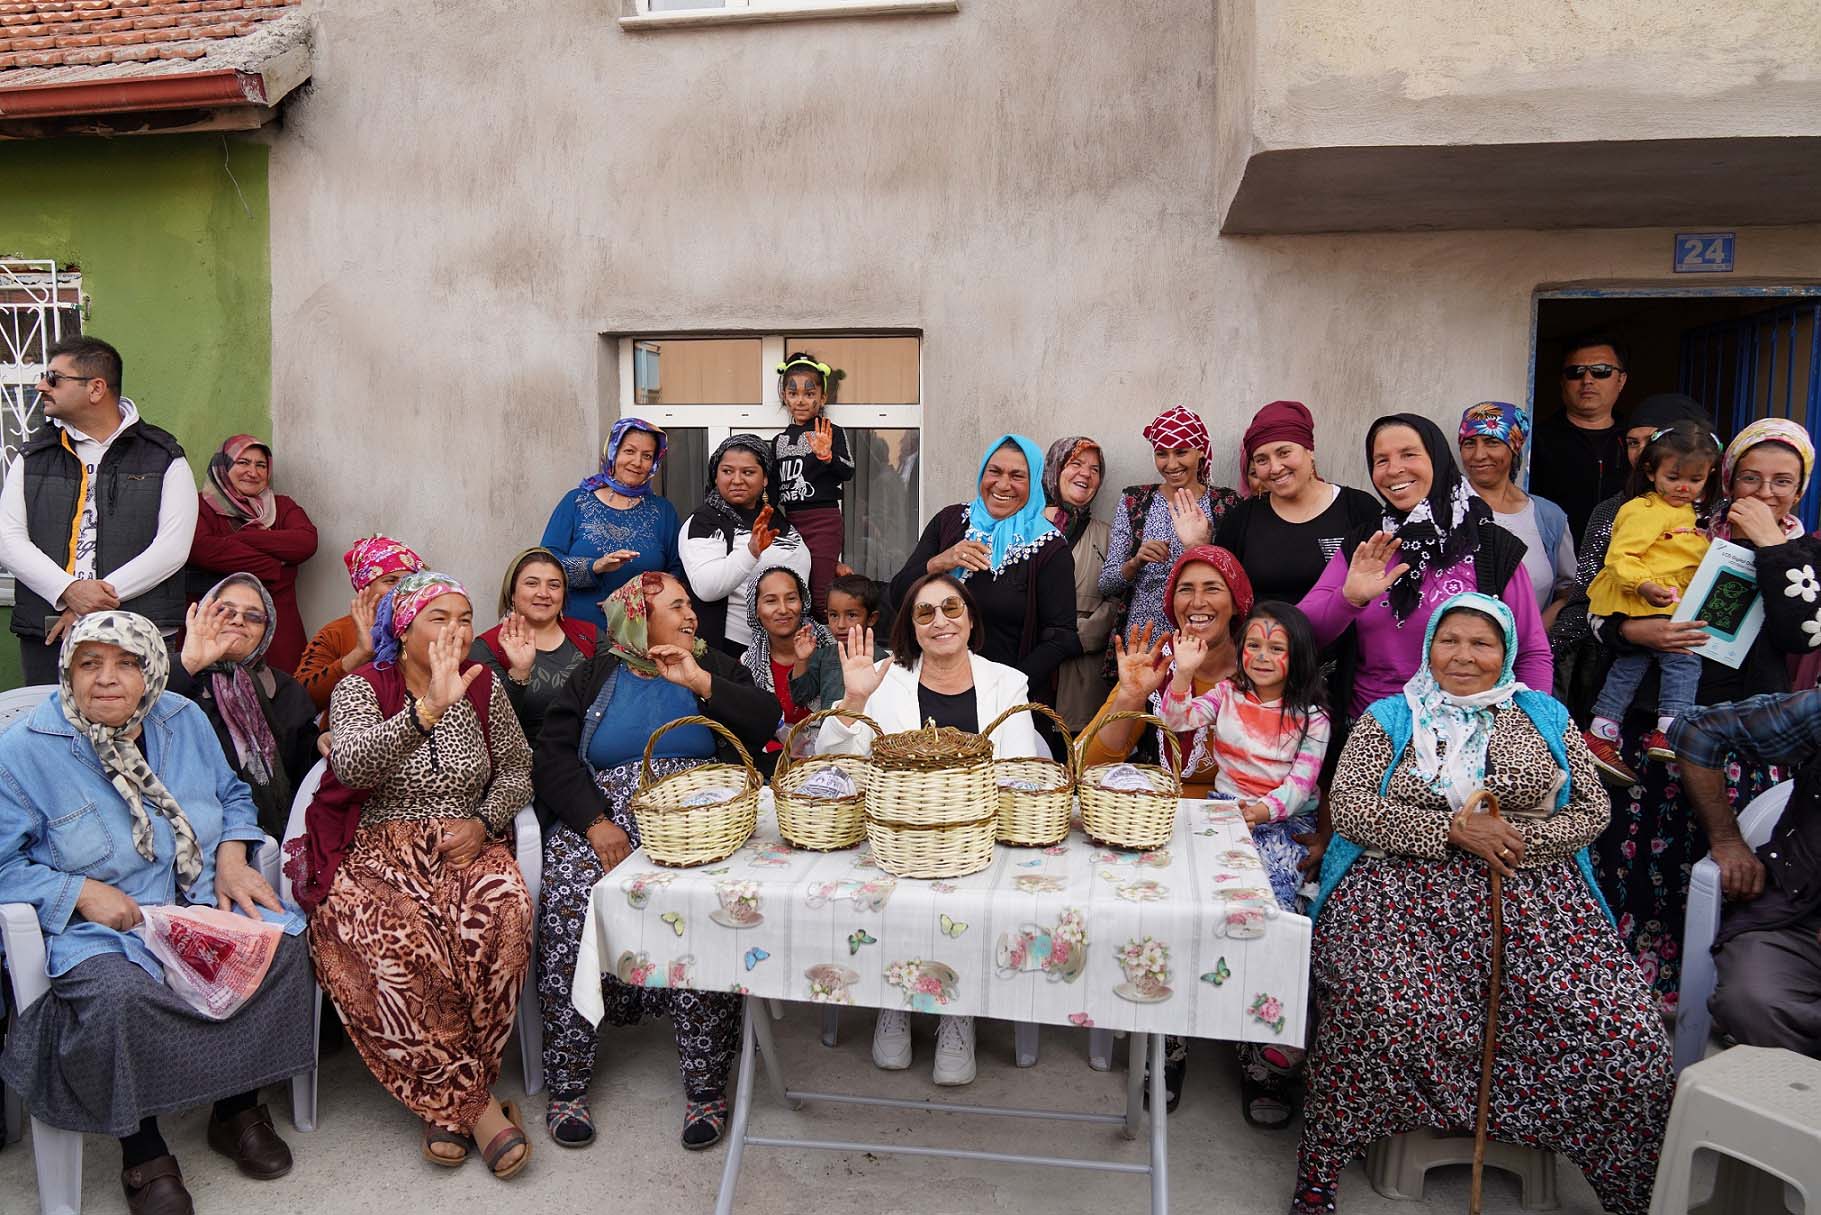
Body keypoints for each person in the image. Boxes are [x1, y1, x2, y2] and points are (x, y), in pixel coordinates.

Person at [1294, 592, 1671, 1215]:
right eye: (1450, 640)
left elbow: (1594, 810)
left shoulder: (1544, 714)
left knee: (1622, 1033)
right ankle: (1320, 1174)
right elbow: (1354, 810)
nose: (1463, 655)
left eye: (1482, 643)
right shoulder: (1390, 716)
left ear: (1507, 652)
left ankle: (1627, 1190)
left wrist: (1516, 839)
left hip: (1534, 898)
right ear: (1428, 646)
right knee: (1373, 1005)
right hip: (1398, 894)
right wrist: (1450, 832)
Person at [0, 612, 312, 1215]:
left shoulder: (182, 718)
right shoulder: (22, 751)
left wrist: (231, 854)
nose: (107, 679)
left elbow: (233, 793)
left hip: (196, 901)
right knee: (119, 996)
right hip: (101, 931)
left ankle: (235, 1107)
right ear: (68, 672)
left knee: (279, 951)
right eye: (90, 663)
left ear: (152, 671)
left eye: (126, 663)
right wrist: (77, 892)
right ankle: (142, 1148)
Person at [532, 572, 780, 1151]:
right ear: (637, 617)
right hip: (605, 822)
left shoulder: (714, 664)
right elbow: (554, 756)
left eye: (691, 606)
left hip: (700, 820)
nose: (691, 615)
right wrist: (595, 822)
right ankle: (567, 1081)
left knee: (704, 912)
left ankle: (706, 1084)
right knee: (571, 898)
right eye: (675, 607)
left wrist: (700, 681)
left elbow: (763, 721)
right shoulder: (594, 673)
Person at [304, 571, 535, 1179]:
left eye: (464, 618)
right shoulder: (362, 687)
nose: (456, 631)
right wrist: (427, 708)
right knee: (388, 936)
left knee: (502, 912)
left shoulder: (484, 687)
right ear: (403, 630)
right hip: (380, 849)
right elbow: (352, 765)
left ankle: (446, 1106)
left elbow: (517, 771)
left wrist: (485, 822)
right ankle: (479, 1109)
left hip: (464, 841)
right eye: (439, 618)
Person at [1588, 418, 1811, 1011]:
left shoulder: (1803, 554)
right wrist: (1633, 630)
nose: (1766, 492)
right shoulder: (1673, 523)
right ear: (1726, 478)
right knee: (1638, 866)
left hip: (1741, 745)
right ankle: (1628, 999)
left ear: (1800, 488)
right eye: (1752, 478)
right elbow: (1601, 610)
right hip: (1658, 731)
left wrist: (1771, 546)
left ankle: (1714, 1001)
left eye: (1782, 481)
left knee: (1722, 870)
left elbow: (1803, 633)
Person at [820, 573, 1047, 1085]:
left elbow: (1018, 770)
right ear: (911, 627)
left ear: (970, 618)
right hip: (899, 835)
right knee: (889, 887)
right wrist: (853, 701)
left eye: (951, 608)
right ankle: (894, 1000)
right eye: (925, 612)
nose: (940, 620)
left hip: (978, 834)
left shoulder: (1006, 682)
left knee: (965, 892)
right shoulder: (884, 678)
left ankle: (956, 1013)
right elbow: (833, 761)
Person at [1076, 544, 1252, 1110]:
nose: (1196, 603)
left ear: (1237, 602)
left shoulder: (1265, 663)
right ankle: (1166, 1037)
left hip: (1247, 825)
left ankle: (1254, 1041)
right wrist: (1130, 693)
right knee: (1158, 908)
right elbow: (1088, 768)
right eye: (1184, 589)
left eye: (1212, 589)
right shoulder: (1159, 666)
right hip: (1162, 822)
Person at [1157, 600, 1329, 1128]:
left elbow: (1300, 787)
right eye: (1253, 644)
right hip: (1224, 817)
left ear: (1296, 657)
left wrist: (1259, 812)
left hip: (1279, 824)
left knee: (1272, 920)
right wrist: (1183, 673)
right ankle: (1171, 1041)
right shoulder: (1226, 695)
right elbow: (1174, 718)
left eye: (1276, 648)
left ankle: (1262, 1054)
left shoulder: (1313, 717)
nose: (1260, 655)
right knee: (1183, 911)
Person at [1298, 413, 1552, 722]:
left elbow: (1531, 653)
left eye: (1409, 454)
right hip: (1373, 732)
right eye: (1381, 460)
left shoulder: (1490, 547)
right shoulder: (1367, 544)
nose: (1394, 470)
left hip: (1467, 735)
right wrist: (1349, 598)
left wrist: (1531, 729)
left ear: (1437, 458)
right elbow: (1303, 632)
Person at [0, 336, 198, 686]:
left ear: (96, 388)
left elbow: (173, 548)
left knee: (140, 735)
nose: (41, 385)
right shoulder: (32, 455)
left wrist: (87, 601)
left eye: (54, 378)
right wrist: (67, 590)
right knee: (52, 734)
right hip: (51, 634)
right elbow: (8, 539)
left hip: (137, 630)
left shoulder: (163, 456)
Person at [1549, 392, 1713, 719]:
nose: (1641, 453)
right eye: (1632, 443)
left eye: (1650, 441)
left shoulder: (1719, 516)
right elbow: (1586, 603)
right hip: (1625, 693)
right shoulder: (1613, 511)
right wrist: (1628, 631)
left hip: (1706, 691)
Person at [1678, 687, 1821, 1057]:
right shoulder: (1816, 712)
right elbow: (1699, 730)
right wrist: (1726, 838)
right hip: (1795, 915)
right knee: (1752, 1000)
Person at [889, 434, 1080, 702]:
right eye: (995, 471)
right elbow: (898, 596)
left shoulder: (1048, 549)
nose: (1003, 484)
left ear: (1034, 481)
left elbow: (1061, 638)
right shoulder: (950, 522)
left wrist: (1005, 688)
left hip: (1001, 699)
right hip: (928, 688)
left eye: (1017, 476)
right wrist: (940, 562)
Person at [1582, 423, 1721, 783]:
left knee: (1631, 665)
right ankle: (1672, 726)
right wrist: (1642, 585)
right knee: (1683, 660)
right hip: (1638, 597)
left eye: (1695, 479)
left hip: (1661, 600)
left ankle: (1601, 730)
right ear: (1650, 471)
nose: (1683, 487)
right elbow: (1620, 555)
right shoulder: (1643, 509)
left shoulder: (1693, 515)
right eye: (1673, 477)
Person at [170, 573, 323, 839]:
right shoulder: (168, 671)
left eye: (253, 616)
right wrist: (190, 665)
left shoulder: (284, 689)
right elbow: (136, 719)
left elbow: (302, 766)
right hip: (185, 830)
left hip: (270, 834)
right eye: (224, 611)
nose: (238, 620)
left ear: (267, 629)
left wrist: (324, 740)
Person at [1098, 406, 1242, 646]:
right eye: (1162, 454)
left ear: (1200, 452)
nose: (1171, 464)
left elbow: (1238, 583)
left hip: (1203, 636)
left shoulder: (1226, 504)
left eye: (1182, 452)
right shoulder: (1136, 501)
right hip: (1145, 639)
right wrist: (1136, 563)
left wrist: (1201, 549)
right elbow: (1106, 584)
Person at [1216, 401, 1379, 605]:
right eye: (1261, 460)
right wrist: (1195, 546)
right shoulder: (1242, 519)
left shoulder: (1359, 508)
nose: (1275, 468)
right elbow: (1223, 593)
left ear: (1309, 451)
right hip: (1266, 636)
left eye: (1284, 453)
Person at [186, 435, 319, 674]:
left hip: (280, 626)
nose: (253, 471)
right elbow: (203, 550)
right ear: (223, 467)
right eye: (243, 462)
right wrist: (276, 568)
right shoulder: (201, 506)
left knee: (282, 697)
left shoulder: (282, 506)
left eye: (261, 465)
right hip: (219, 626)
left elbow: (306, 543)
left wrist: (243, 538)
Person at [541, 417, 684, 633]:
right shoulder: (576, 501)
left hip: (641, 633)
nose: (637, 462)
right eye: (629, 451)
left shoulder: (663, 511)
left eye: (647, 456)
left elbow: (676, 572)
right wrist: (596, 566)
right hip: (577, 633)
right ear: (613, 452)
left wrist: (636, 596)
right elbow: (546, 565)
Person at [680, 433, 811, 657]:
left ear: (765, 479)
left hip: (784, 647)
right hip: (732, 650)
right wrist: (751, 552)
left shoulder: (774, 518)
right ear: (715, 476)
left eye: (748, 472)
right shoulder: (704, 522)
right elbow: (707, 588)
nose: (737, 480)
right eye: (727, 471)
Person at [468, 547, 598, 762]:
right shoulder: (487, 647)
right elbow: (491, 725)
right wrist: (519, 672)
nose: (543, 593)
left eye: (554, 585)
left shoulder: (590, 636)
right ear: (512, 593)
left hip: (593, 756)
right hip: (529, 763)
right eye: (531, 583)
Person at [1456, 401, 1576, 628]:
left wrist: (1538, 634)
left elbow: (1568, 592)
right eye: (1469, 443)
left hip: (1528, 655)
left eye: (1492, 442)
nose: (1479, 455)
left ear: (1515, 446)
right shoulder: (1444, 508)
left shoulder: (1548, 516)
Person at [294, 534, 427, 717]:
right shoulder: (336, 633)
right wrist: (360, 654)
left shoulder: (427, 627)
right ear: (365, 588)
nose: (402, 589)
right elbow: (298, 700)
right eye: (390, 581)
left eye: (409, 581)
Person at [1042, 435, 1118, 731]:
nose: (1086, 474)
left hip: (1083, 667)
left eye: (1095, 469)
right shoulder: (1025, 528)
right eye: (1076, 463)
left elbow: (1118, 598)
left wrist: (1075, 638)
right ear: (1054, 469)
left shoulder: (1109, 535)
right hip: (1030, 665)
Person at [770, 352, 853, 617]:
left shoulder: (831, 431)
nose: (801, 400)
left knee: (819, 597)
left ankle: (824, 653)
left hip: (823, 521)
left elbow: (848, 470)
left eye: (809, 393)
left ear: (822, 397)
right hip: (790, 522)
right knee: (794, 588)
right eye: (793, 393)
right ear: (785, 396)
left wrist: (827, 456)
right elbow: (772, 488)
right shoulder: (778, 440)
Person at [1529, 332, 1632, 541]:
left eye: (1601, 371)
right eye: (1575, 372)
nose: (1587, 380)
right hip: (1555, 562)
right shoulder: (1536, 440)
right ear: (1562, 382)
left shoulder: (1638, 441)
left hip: (1626, 564)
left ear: (1621, 380)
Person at [739, 563, 842, 762]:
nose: (783, 609)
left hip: (836, 756)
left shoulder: (833, 645)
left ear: (803, 603)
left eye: (791, 599)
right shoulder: (748, 664)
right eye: (771, 601)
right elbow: (749, 729)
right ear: (756, 610)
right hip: (776, 765)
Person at [825, 572, 888, 659]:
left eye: (851, 615)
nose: (841, 625)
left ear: (871, 619)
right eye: (834, 615)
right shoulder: (821, 658)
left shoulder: (881, 660)